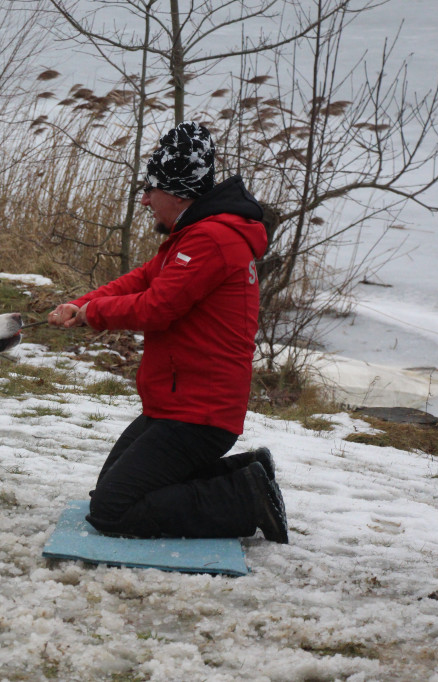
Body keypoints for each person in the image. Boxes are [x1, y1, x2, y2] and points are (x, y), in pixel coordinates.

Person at [47, 121, 287, 543]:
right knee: (109, 493)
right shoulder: (196, 234)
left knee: (113, 510)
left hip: (198, 414)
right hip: (177, 404)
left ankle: (245, 499)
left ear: (177, 193)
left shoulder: (210, 240)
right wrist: (82, 303)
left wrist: (91, 315)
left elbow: (156, 308)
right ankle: (246, 473)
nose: (144, 200)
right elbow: (143, 279)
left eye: (150, 189)